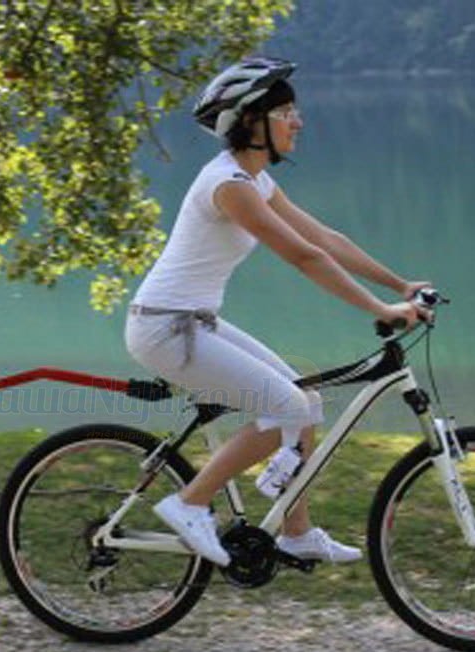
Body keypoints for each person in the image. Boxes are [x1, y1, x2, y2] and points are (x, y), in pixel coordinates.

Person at [125, 57, 430, 567]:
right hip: (164, 329)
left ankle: (296, 532)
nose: (298, 122)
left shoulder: (255, 181)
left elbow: (324, 238)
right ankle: (189, 502)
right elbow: (304, 257)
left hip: (193, 323)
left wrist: (400, 285)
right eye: (286, 112)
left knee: (303, 399)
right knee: (287, 405)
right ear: (250, 122)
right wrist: (381, 309)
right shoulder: (229, 186)